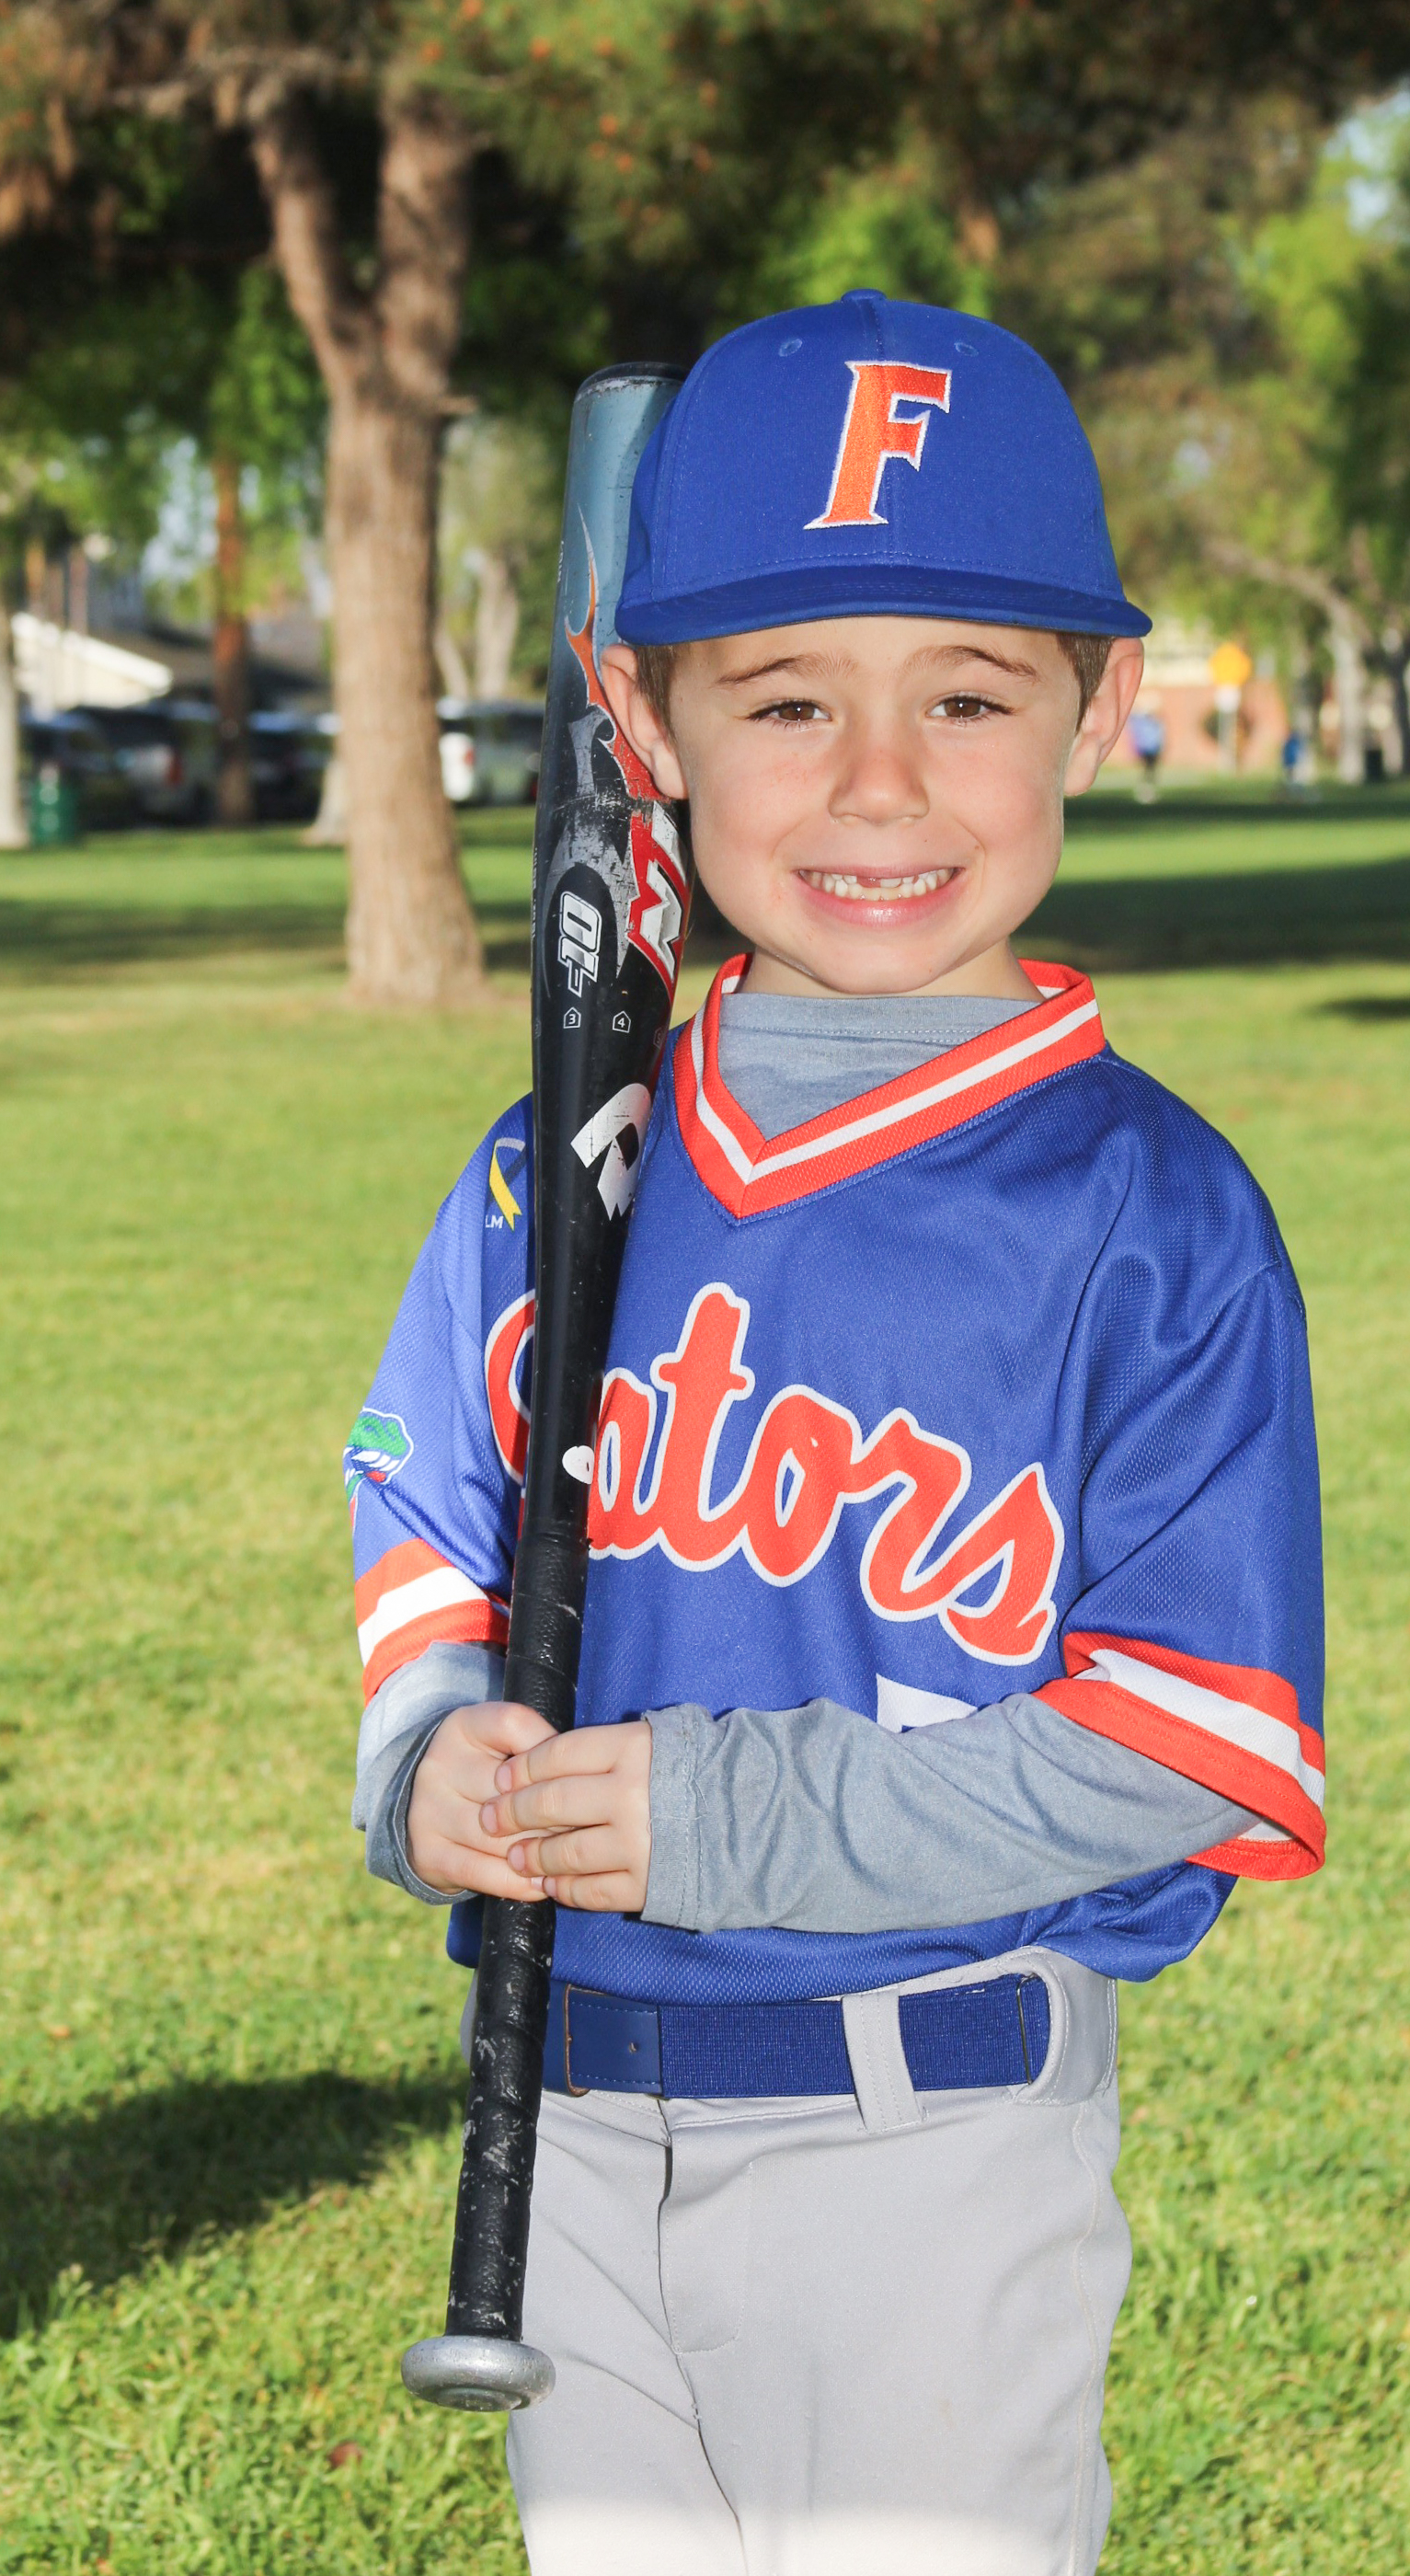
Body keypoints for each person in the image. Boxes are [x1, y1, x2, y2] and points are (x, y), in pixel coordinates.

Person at [349, 292, 1324, 2576]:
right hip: (563, 2127)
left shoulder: (1147, 1215)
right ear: (642, 719)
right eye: (785, 700)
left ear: (1096, 707)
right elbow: (426, 1525)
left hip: (929, 2133)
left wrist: (727, 1815)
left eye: (965, 698)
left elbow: (1193, 1744)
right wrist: (425, 1753)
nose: (878, 782)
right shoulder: (553, 1170)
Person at [1128, 701, 1165, 799]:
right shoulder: (1143, 722)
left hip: (1153, 748)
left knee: (1151, 770)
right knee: (1146, 769)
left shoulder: (1154, 723)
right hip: (1145, 748)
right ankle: (1145, 789)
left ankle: (1149, 788)